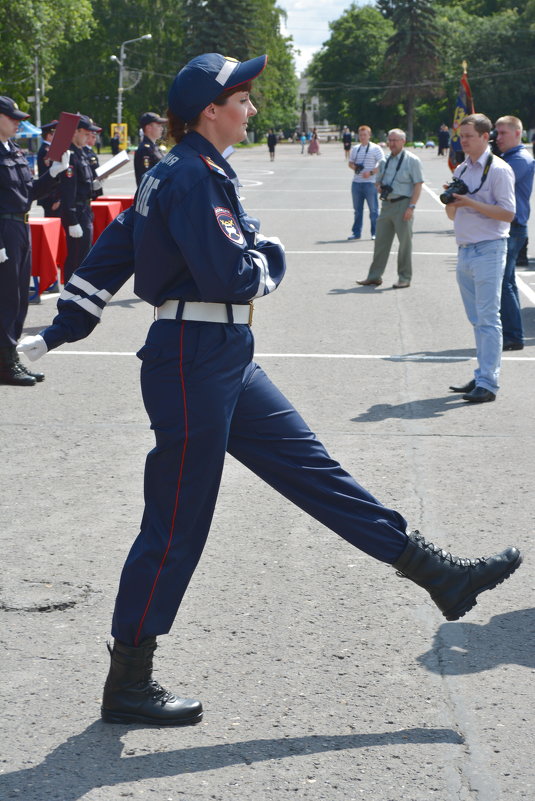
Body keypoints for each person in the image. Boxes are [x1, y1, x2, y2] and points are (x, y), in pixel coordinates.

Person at [17, 55, 522, 727]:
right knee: (175, 522)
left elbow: (113, 250)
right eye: (243, 99)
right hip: (195, 356)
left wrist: (62, 327)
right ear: (209, 111)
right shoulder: (191, 175)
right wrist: (268, 258)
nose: (252, 110)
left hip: (220, 354)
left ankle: (437, 573)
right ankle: (128, 679)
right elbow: (232, 274)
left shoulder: (182, 169)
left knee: (313, 468)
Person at [446, 113, 516, 404]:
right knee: (477, 320)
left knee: (488, 320)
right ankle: (482, 373)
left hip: (489, 248)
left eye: (468, 136)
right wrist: (452, 201)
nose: (463, 141)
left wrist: (470, 202)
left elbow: (508, 213)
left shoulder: (499, 169)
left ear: (485, 137)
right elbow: (452, 215)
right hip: (465, 250)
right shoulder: (462, 169)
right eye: (461, 136)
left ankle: (488, 383)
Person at [0, 96, 68, 386]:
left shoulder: (12, 150)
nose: (18, 122)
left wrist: (53, 173)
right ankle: (5, 364)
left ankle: (9, 357)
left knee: (18, 297)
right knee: (4, 298)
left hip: (21, 228)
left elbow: (28, 193)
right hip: (3, 230)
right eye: (12, 117)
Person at [357, 128, 423, 289]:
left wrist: (411, 207)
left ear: (403, 141)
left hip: (403, 204)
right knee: (381, 242)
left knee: (405, 244)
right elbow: (377, 181)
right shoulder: (385, 160)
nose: (392, 143)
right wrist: (379, 187)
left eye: (395, 140)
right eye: (390, 140)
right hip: (387, 204)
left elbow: (418, 184)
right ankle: (374, 276)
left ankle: (404, 277)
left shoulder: (412, 160)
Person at [495, 115, 535, 351]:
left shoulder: (519, 160)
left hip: (513, 227)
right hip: (509, 226)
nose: (497, 138)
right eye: (496, 133)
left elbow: (496, 188)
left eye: (503, 133)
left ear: (517, 133)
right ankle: (511, 334)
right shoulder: (508, 158)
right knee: (506, 280)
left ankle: (513, 336)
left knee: (503, 282)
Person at [59, 114, 100, 283]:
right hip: (77, 212)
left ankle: (78, 295)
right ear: (75, 132)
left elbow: (85, 184)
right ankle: (70, 295)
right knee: (77, 259)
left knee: (84, 257)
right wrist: (72, 220)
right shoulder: (69, 155)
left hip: (85, 210)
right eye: (85, 133)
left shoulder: (81, 154)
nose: (88, 137)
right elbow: (68, 191)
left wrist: (96, 186)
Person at [347, 125, 383, 241]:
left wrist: (371, 172)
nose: (362, 137)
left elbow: (382, 163)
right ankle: (356, 233)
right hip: (357, 183)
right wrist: (354, 167)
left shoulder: (375, 148)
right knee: (357, 210)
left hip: (370, 183)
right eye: (361, 135)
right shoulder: (355, 148)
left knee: (373, 210)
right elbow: (350, 163)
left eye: (365, 135)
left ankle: (375, 232)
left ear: (369, 135)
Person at [36, 120, 61, 218]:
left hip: (51, 195)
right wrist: (55, 199)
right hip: (50, 197)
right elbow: (49, 176)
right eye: (55, 134)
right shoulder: (47, 151)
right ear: (49, 136)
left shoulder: (49, 149)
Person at [134, 112, 167, 186]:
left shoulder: (154, 146)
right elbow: (146, 177)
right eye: (158, 125)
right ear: (149, 128)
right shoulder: (145, 149)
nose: (161, 128)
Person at [84, 121, 104, 199]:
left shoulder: (90, 150)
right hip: (89, 188)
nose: (95, 139)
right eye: (93, 137)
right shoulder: (84, 151)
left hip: (94, 186)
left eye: (95, 137)